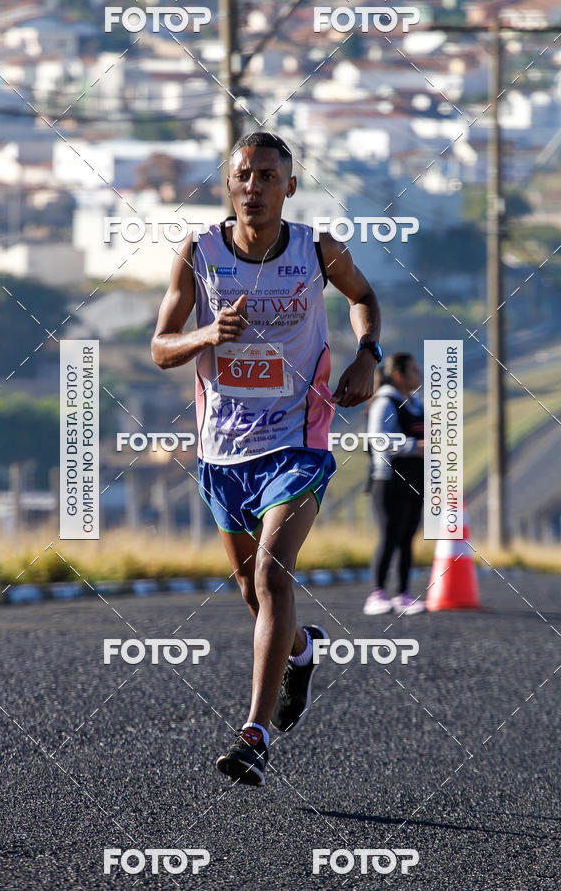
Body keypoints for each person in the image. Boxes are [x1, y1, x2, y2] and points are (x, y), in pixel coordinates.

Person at [151, 131, 382, 786]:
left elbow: (363, 298)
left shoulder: (317, 250)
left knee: (272, 577)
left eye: (268, 177)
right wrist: (207, 333)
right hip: (223, 451)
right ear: (229, 185)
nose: (254, 187)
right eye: (244, 176)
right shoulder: (198, 252)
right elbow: (161, 347)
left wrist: (367, 357)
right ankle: (302, 649)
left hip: (297, 442)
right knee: (254, 595)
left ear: (290, 187)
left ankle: (253, 735)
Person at [363, 352, 425, 616]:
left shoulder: (415, 403)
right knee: (389, 536)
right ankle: (376, 594)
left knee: (407, 538)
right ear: (398, 375)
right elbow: (379, 439)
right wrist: (414, 446)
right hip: (388, 480)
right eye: (414, 369)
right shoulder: (385, 402)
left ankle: (402, 594)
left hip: (414, 480)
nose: (419, 374)